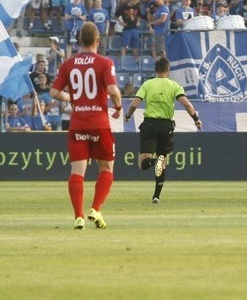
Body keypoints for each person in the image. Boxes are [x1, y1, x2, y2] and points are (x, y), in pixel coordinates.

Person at [49, 22, 122, 230]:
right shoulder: (104, 62)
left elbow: (54, 93)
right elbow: (113, 90)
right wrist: (117, 106)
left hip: (77, 125)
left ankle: (78, 216)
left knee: (77, 172)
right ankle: (96, 209)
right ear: (98, 40)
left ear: (80, 41)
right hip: (99, 124)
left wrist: (71, 97)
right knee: (106, 168)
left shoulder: (69, 64)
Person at [124, 56, 203, 204]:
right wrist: (196, 119)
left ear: (155, 70)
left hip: (149, 125)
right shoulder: (174, 86)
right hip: (166, 126)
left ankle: (155, 161)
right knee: (163, 161)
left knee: (143, 164)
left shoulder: (147, 84)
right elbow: (186, 104)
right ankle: (156, 196)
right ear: (168, 70)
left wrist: (128, 115)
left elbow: (134, 104)